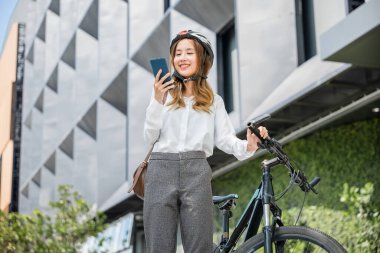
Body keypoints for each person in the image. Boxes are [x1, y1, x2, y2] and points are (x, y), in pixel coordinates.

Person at [143, 30, 268, 253]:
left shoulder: (213, 102)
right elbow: (149, 138)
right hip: (161, 169)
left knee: (200, 248)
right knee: (158, 247)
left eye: (189, 52)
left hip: (197, 172)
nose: (182, 58)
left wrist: (248, 145)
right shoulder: (164, 96)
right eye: (177, 53)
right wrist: (156, 100)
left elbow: (226, 139)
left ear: (202, 59)